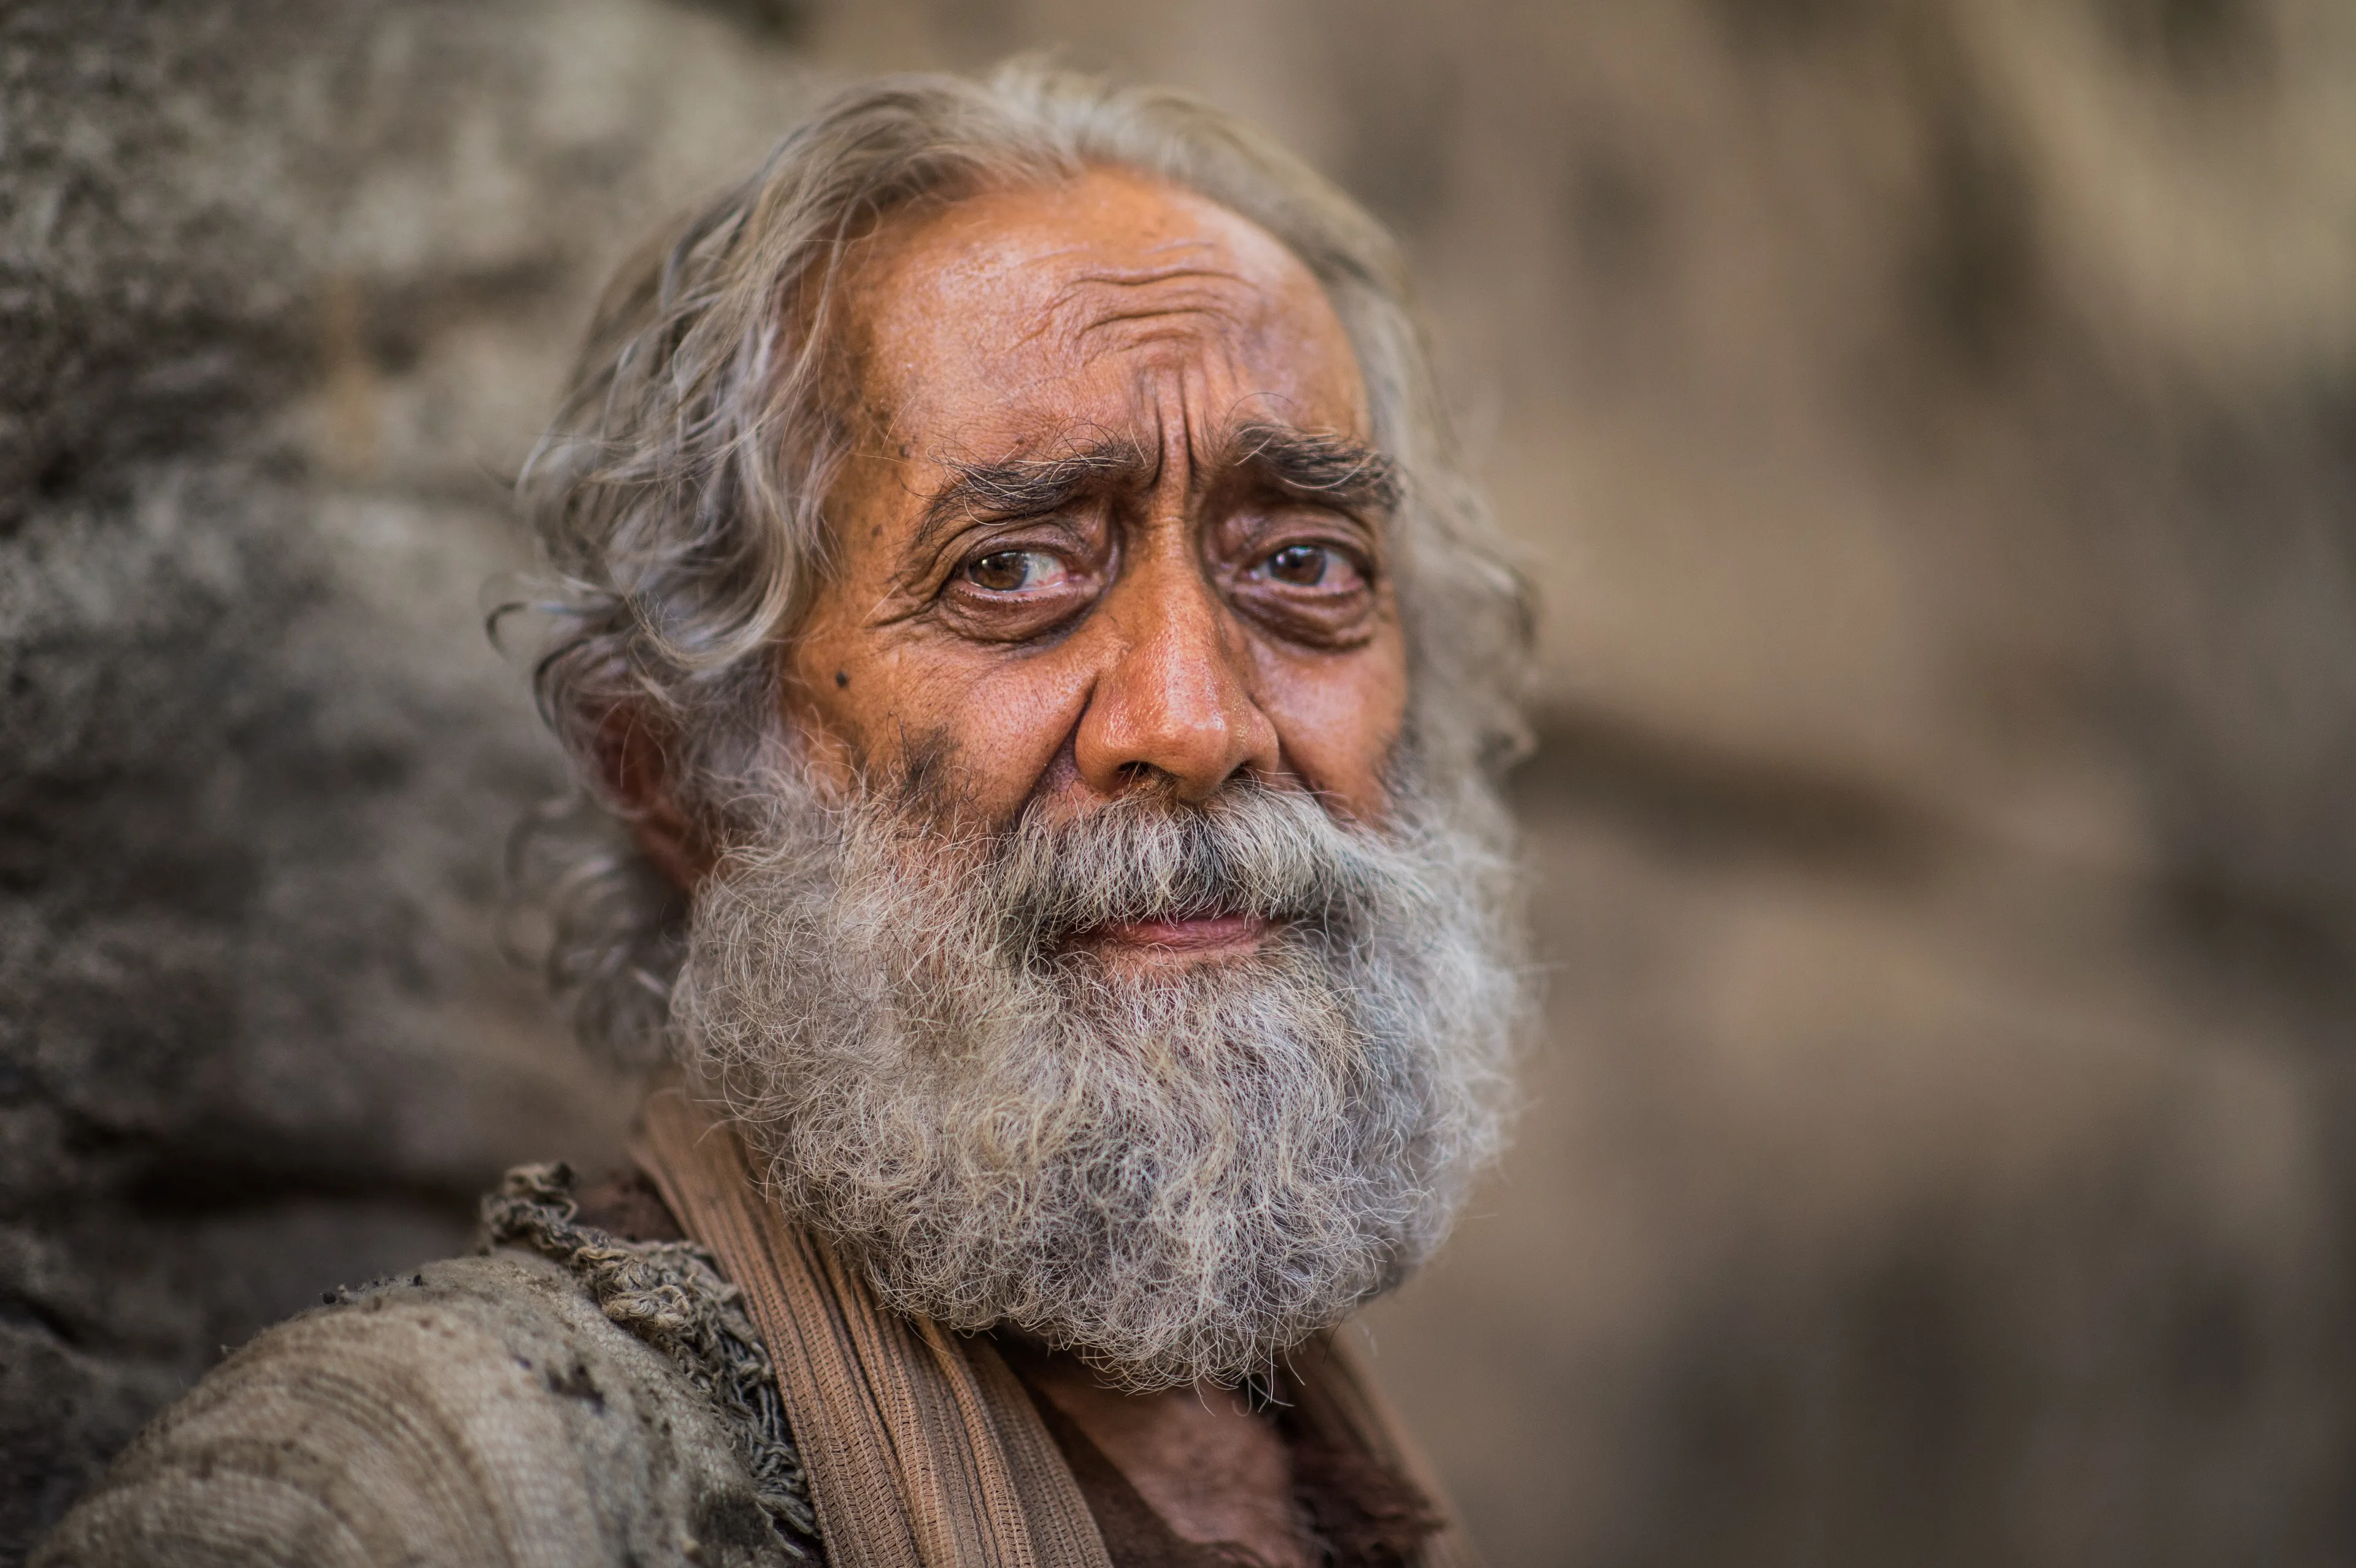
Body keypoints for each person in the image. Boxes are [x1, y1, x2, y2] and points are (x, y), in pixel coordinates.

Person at [36, 61, 1531, 1568]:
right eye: (1011, 570)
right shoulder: (430, 1490)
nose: (1198, 724)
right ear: (673, 773)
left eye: (1303, 563)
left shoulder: (1330, 1463)